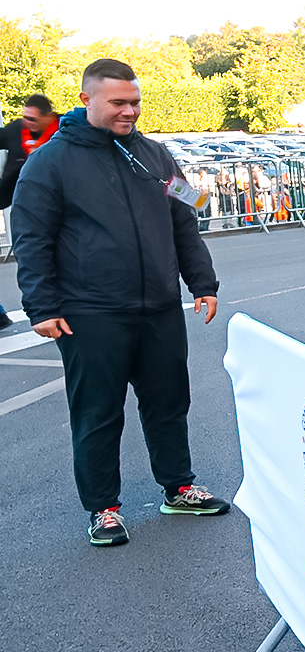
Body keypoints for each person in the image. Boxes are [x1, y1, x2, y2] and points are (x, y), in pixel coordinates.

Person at [10, 59, 229, 548]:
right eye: (119, 103)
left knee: (169, 403)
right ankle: (103, 509)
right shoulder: (50, 161)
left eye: (135, 102)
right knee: (98, 412)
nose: (130, 110)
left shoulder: (155, 155)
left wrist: (203, 282)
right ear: (87, 99)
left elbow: (184, 219)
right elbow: (30, 238)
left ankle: (179, 487)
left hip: (158, 308)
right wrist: (41, 307)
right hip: (91, 312)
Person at [1, 94, 61, 328]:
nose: (28, 123)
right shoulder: (18, 130)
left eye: (33, 119)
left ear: (48, 117)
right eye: (25, 117)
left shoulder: (63, 130)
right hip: (22, 199)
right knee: (28, 247)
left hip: (55, 199)